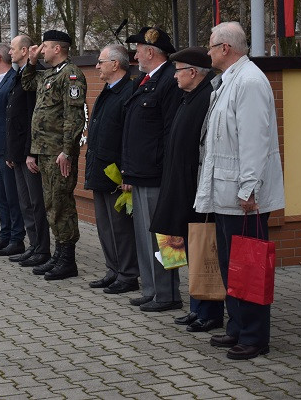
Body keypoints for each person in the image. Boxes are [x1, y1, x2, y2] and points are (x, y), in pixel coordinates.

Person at [195, 21, 284, 360]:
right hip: (227, 193)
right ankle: (237, 327)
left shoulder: (248, 82)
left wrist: (249, 188)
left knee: (249, 265)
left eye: (211, 45)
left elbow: (254, 141)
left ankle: (254, 335)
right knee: (231, 263)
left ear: (226, 49)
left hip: (244, 197)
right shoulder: (231, 81)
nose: (208, 51)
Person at [149, 46, 224, 332]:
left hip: (195, 190)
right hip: (178, 186)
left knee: (202, 251)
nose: (174, 76)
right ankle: (196, 307)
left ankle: (210, 312)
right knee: (186, 248)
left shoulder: (206, 98)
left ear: (193, 72)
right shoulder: (188, 97)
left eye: (178, 70)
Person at [121, 26, 183, 311]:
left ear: (150, 51)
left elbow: (171, 132)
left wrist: (169, 172)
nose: (135, 55)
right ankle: (151, 288)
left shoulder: (170, 80)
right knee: (146, 237)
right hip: (141, 172)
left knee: (166, 237)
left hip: (158, 173)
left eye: (138, 50)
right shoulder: (144, 81)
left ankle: (169, 293)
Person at [21, 30, 86, 280]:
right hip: (45, 151)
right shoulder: (49, 74)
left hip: (59, 153)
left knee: (62, 204)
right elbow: (27, 83)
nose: (41, 50)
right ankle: (59, 254)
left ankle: (67, 259)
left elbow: (74, 116)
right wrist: (33, 60)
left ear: (57, 49)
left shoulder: (71, 75)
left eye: (45, 46)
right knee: (51, 204)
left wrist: (67, 151)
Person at [83, 43, 139, 294]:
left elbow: (130, 135)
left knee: (120, 227)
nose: (96, 66)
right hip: (101, 168)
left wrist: (127, 170)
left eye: (101, 62)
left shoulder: (129, 91)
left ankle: (127, 274)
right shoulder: (108, 90)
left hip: (117, 172)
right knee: (105, 225)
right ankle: (113, 270)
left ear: (115, 64)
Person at [5, 35, 51, 267]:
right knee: (25, 202)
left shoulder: (37, 74)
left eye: (12, 48)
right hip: (19, 152)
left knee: (36, 202)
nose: (9, 52)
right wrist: (12, 153)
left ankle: (42, 249)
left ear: (25, 50)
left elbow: (34, 117)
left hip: (30, 151)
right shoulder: (21, 75)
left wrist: (30, 152)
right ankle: (34, 246)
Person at [0, 43, 26, 256]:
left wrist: (9, 148)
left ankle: (17, 238)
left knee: (11, 195)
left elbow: (11, 118)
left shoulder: (12, 79)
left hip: (7, 147)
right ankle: (5, 235)